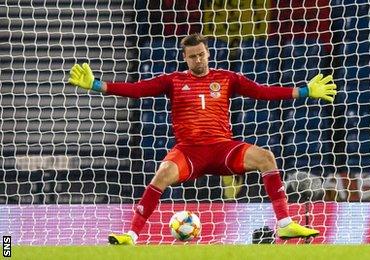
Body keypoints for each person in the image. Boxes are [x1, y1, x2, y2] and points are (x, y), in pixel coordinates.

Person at [67, 33, 338, 245]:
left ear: (208, 52)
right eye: (192, 56)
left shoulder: (227, 78)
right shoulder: (172, 81)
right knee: (161, 175)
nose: (198, 60)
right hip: (189, 152)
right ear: (185, 58)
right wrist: (97, 85)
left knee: (267, 157)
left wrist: (304, 92)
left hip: (223, 148)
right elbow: (138, 90)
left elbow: (261, 92)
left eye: (201, 54)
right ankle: (131, 235)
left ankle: (285, 223)